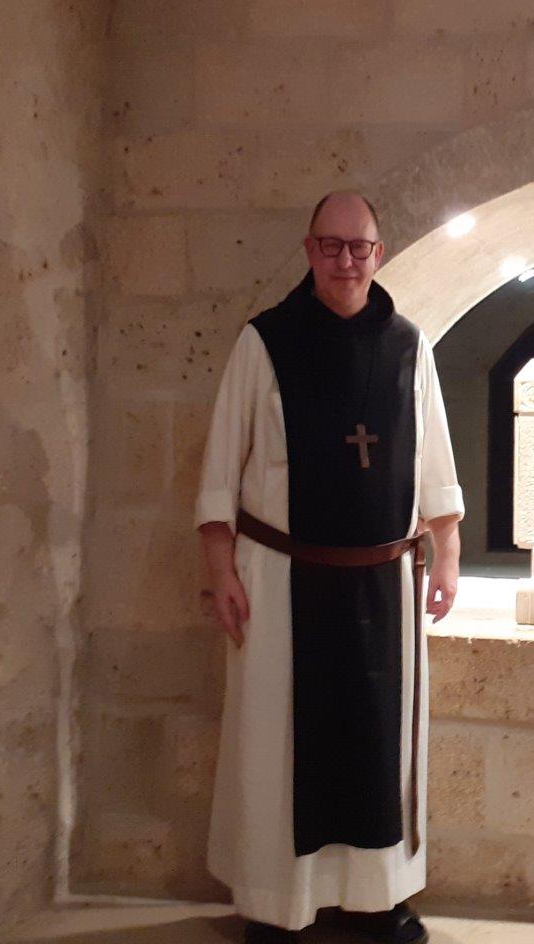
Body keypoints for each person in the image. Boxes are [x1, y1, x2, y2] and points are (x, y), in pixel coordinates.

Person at [195, 191, 463, 944]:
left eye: (360, 247)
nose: (346, 260)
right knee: (278, 750)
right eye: (331, 246)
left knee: (379, 750)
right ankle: (276, 906)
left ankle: (377, 901)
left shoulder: (409, 345)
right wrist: (221, 569)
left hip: (384, 586)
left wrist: (446, 555)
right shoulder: (265, 342)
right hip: (283, 582)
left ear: (379, 253)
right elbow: (221, 465)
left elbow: (435, 462)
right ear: (310, 250)